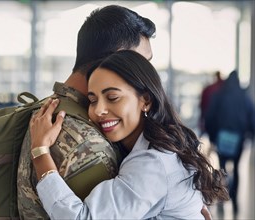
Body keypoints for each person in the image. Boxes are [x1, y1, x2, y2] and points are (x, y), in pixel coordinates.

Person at [29, 50, 229, 219]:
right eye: (92, 99)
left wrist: (40, 151)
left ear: (146, 101)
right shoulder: (155, 146)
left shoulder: (153, 164)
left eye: (112, 97)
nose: (99, 110)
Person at [17, 5, 156, 219]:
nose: (148, 73)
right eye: (142, 62)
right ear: (118, 58)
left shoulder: (52, 108)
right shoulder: (87, 143)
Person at [205, 70, 255, 215]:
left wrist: (212, 136)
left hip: (222, 137)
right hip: (239, 139)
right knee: (237, 169)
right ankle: (235, 201)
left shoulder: (219, 96)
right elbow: (252, 116)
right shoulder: (243, 97)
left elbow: (210, 116)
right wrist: (251, 134)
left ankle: (222, 196)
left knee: (222, 168)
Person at [199, 70, 224, 137]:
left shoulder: (208, 88)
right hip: (221, 120)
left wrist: (201, 119)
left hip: (210, 117)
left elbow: (202, 105)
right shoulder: (225, 89)